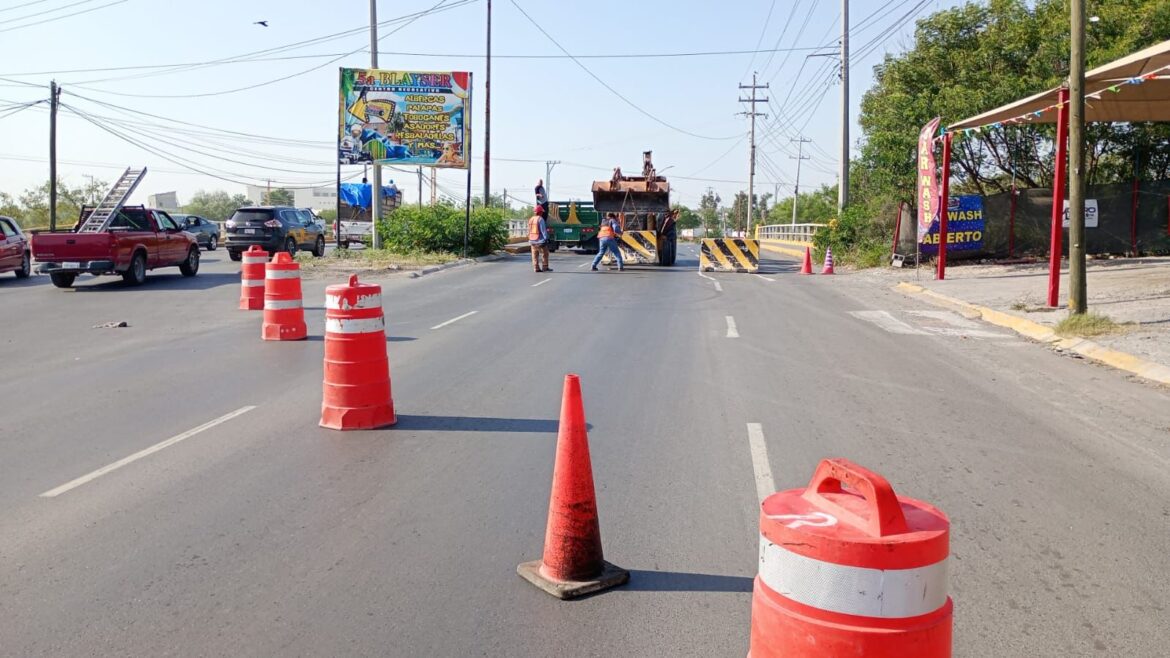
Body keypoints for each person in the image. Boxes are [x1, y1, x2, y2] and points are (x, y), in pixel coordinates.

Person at [528, 205, 552, 273]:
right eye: (542, 212)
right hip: (540, 241)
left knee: (534, 255)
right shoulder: (540, 219)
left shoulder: (531, 219)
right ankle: (545, 267)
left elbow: (529, 230)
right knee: (545, 254)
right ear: (540, 212)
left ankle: (536, 268)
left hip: (532, 240)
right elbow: (543, 230)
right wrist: (546, 238)